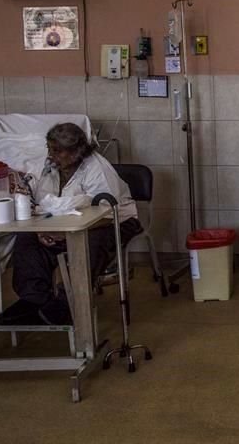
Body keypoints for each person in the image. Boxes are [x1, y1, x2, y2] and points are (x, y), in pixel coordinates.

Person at [11, 123, 141, 325]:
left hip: (113, 221)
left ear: (76, 152)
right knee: (26, 239)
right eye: (49, 148)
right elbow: (38, 201)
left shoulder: (96, 169)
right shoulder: (49, 168)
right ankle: (36, 300)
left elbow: (106, 214)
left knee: (88, 243)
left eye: (57, 150)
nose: (50, 155)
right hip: (62, 224)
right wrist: (41, 230)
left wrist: (65, 233)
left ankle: (67, 304)